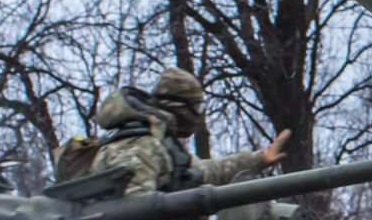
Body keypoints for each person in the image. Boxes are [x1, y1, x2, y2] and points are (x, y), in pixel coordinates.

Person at [66, 68, 290, 198]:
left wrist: (256, 159)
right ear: (178, 105)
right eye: (196, 107)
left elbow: (205, 172)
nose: (197, 116)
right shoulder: (142, 145)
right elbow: (135, 212)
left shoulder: (161, 144)